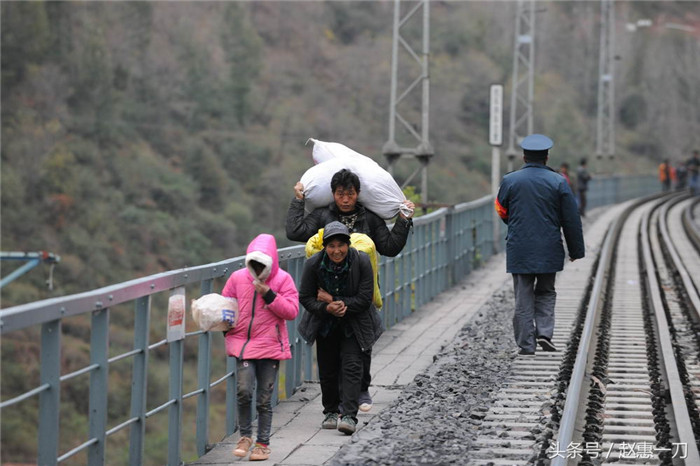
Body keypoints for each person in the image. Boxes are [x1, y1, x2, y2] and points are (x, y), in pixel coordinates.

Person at [286, 168, 415, 412]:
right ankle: (336, 403)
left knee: (361, 340)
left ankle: (361, 389)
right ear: (333, 194)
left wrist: (403, 220)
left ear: (358, 194)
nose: (346, 199)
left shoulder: (370, 219)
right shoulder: (322, 216)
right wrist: (298, 201)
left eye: (351, 194)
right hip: (327, 293)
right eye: (340, 194)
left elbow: (389, 247)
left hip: (359, 292)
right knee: (330, 347)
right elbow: (295, 232)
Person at [495, 134, 585, 356]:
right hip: (549, 247)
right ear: (547, 157)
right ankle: (544, 333)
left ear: (524, 157)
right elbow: (571, 219)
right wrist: (575, 251)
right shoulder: (559, 182)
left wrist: (514, 223)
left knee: (523, 296)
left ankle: (526, 344)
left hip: (520, 247)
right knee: (546, 291)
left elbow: (501, 209)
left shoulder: (510, 180)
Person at [298, 221, 383, 435]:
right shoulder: (313, 264)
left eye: (341, 245)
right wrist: (327, 308)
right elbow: (306, 297)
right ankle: (330, 411)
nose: (337, 251)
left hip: (354, 323)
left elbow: (365, 298)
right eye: (331, 246)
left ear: (348, 244)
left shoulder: (361, 261)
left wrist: (335, 301)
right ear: (325, 247)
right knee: (328, 369)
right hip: (325, 323)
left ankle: (349, 416)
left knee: (353, 367)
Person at [222, 233, 299, 461]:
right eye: (253, 264)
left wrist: (269, 295)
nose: (257, 269)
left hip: (269, 346)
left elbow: (292, 311)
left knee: (264, 398)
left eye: (261, 265)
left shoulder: (283, 280)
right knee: (244, 390)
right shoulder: (237, 278)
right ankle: (245, 437)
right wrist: (225, 327)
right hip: (244, 345)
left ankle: (262, 443)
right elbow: (226, 306)